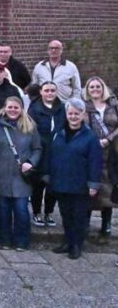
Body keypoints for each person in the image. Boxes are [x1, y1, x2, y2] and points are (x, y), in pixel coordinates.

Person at [48, 98, 101, 259]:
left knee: (78, 216)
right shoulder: (58, 133)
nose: (73, 116)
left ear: (83, 115)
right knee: (65, 214)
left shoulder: (90, 137)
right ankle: (67, 242)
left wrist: (93, 184)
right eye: (70, 113)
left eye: (77, 114)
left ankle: (77, 245)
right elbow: (51, 155)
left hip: (80, 184)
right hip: (61, 181)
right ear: (66, 114)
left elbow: (95, 161)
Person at [0, 97, 41, 250]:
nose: (13, 110)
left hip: (21, 175)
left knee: (21, 209)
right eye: (10, 107)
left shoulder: (30, 126)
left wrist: (31, 162)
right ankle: (5, 239)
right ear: (4, 108)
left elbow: (37, 148)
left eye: (16, 107)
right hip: (1, 173)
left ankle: (22, 240)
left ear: (21, 109)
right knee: (3, 210)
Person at [82, 76, 118, 243]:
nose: (95, 90)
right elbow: (82, 127)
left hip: (111, 151)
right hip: (92, 150)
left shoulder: (113, 106)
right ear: (87, 90)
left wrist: (109, 139)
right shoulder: (85, 107)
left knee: (109, 186)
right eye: (91, 87)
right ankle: (86, 224)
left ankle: (106, 224)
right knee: (92, 185)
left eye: (98, 87)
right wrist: (93, 141)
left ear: (103, 88)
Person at [27, 81, 65, 227]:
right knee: (38, 184)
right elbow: (31, 129)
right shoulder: (34, 109)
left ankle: (49, 212)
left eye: (52, 91)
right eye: (47, 90)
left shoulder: (61, 108)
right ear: (41, 92)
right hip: (40, 149)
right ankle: (36, 212)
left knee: (53, 185)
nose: (50, 93)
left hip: (57, 150)